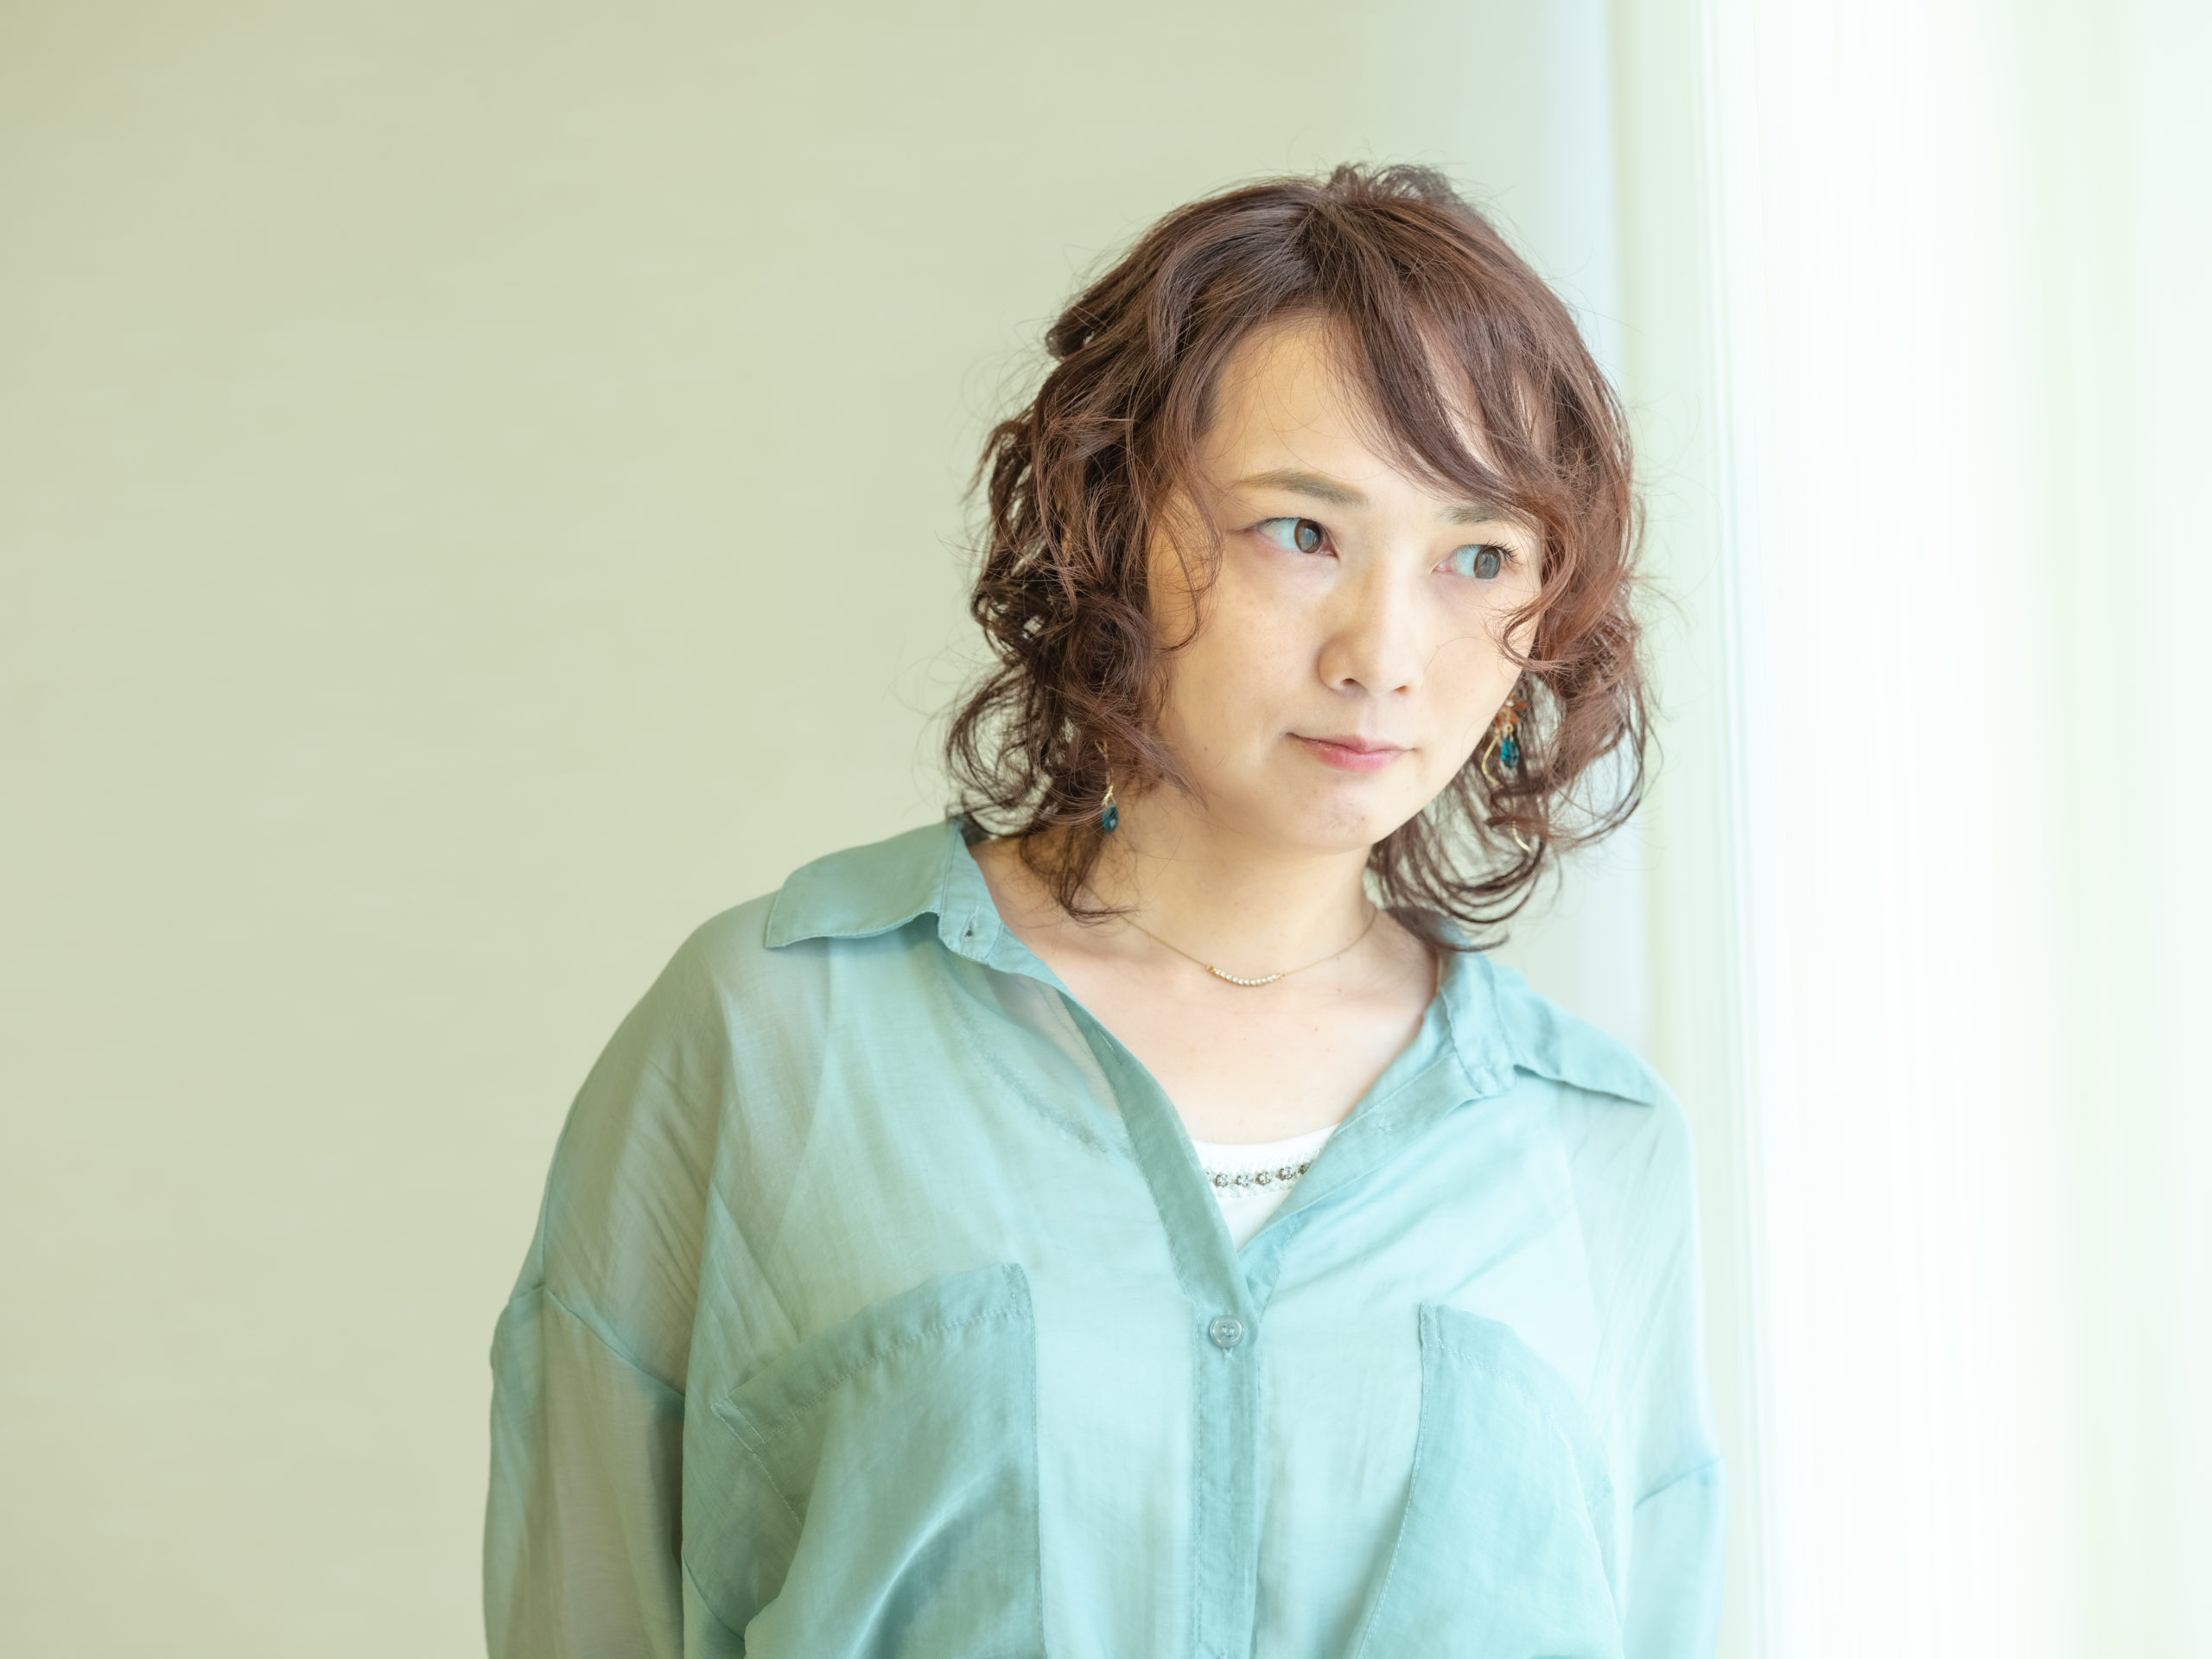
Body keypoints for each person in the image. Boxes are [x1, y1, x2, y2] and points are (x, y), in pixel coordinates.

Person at [484, 163, 1725, 1659]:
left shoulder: (1597, 1147)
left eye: (1480, 558)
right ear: (1111, 525)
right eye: (1301, 532)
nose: (1385, 653)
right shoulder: (773, 1034)